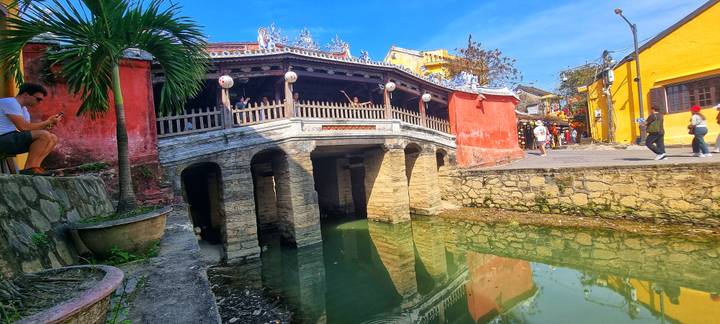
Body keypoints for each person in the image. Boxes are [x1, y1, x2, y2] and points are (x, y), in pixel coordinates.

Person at [0, 83, 61, 175]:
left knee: (52, 138)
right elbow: (23, 127)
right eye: (38, 99)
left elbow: (29, 131)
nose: (40, 102)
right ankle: (29, 169)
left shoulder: (24, 109)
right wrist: (47, 122)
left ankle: (35, 168)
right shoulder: (10, 102)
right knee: (44, 135)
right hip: (2, 137)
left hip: (9, 138)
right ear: (25, 95)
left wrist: (47, 124)